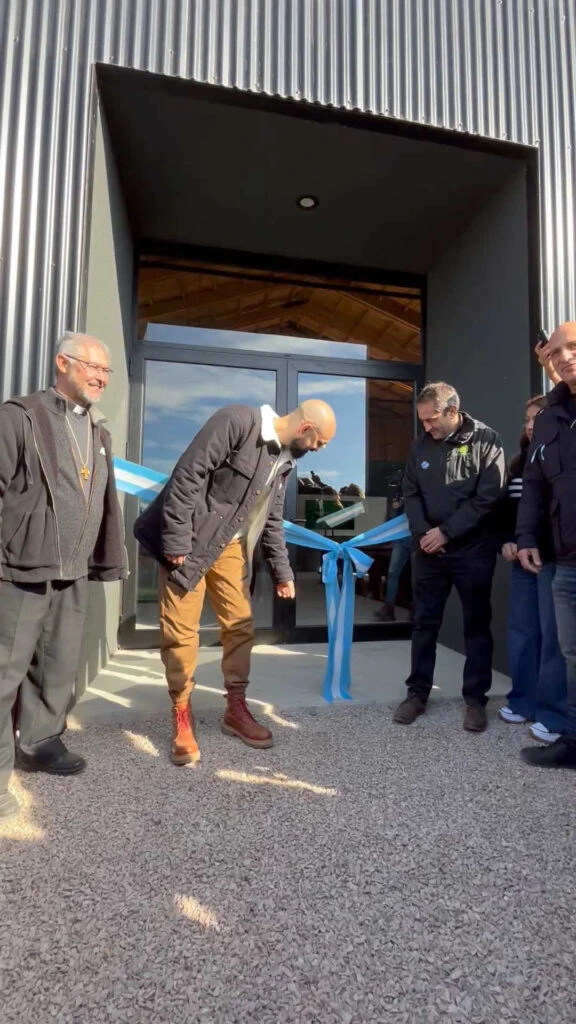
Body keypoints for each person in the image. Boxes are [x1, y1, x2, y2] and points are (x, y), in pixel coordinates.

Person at [134, 399, 337, 766]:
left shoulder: (285, 461)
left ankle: (236, 709)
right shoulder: (237, 421)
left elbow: (272, 520)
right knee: (181, 632)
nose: (318, 450)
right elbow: (188, 473)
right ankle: (182, 715)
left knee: (241, 625)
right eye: (319, 442)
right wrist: (177, 538)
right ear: (306, 428)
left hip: (230, 547)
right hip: (191, 541)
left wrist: (283, 573)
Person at [0, 333, 128, 824]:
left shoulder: (97, 430)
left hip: (72, 571)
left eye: (106, 371)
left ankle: (39, 741)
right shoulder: (20, 417)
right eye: (93, 367)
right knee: (5, 675)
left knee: (56, 668)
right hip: (19, 570)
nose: (100, 377)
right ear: (62, 363)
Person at [393, 382, 506, 732]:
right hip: (429, 551)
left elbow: (489, 498)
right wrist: (425, 534)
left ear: (453, 411)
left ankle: (475, 700)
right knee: (424, 623)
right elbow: (409, 494)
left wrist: (447, 532)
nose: (427, 427)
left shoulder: (488, 441)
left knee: (476, 625)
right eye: (423, 421)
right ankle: (417, 694)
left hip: (473, 551)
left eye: (431, 420)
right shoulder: (420, 446)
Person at [517, 322, 576, 769]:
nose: (563, 356)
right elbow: (535, 486)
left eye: (573, 347)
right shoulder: (552, 416)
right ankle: (571, 741)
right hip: (567, 560)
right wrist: (525, 538)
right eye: (555, 353)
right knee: (570, 654)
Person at [498, 395, 568, 743]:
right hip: (520, 559)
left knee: (552, 635)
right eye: (527, 417)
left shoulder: (558, 455)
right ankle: (522, 701)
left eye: (537, 416)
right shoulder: (516, 464)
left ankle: (552, 713)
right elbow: (508, 512)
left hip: (551, 558)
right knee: (522, 631)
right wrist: (509, 541)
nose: (530, 423)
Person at [374, 495, 412, 621]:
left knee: (394, 574)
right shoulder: (412, 494)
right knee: (398, 574)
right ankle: (391, 609)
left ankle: (390, 609)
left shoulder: (412, 494)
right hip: (408, 538)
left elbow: (393, 520)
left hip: (407, 538)